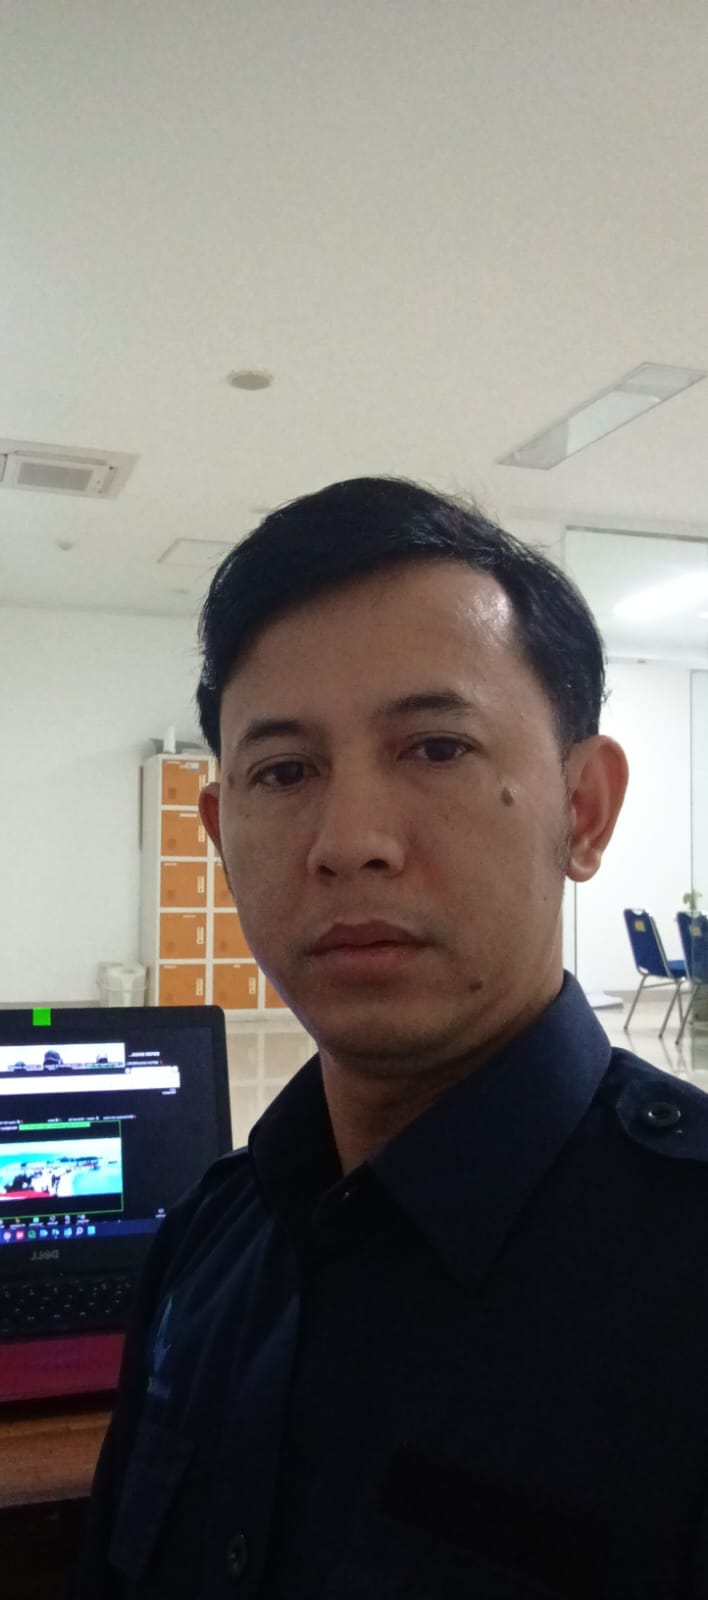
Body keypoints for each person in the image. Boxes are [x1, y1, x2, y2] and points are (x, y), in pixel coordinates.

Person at [74, 477, 708, 1599]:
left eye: (436, 748)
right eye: (284, 771)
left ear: (584, 809)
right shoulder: (207, 1247)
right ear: (221, 836)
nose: (349, 841)